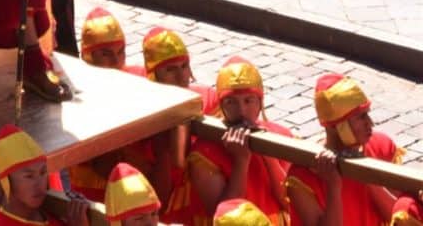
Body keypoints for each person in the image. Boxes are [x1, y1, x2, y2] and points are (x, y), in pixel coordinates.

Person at [286, 73, 403, 226]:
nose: (370, 124)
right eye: (360, 118)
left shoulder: (381, 146)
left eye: (367, 114)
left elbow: (398, 218)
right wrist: (333, 188)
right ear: (335, 127)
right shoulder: (303, 175)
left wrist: (368, 176)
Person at [187, 56, 292, 225]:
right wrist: (241, 161)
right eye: (231, 102)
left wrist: (268, 154)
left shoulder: (281, 135)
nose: (241, 110)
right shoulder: (204, 153)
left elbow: (288, 203)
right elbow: (223, 216)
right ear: (221, 105)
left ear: (260, 103)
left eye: (248, 100)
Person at [131, 27, 218, 222]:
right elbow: (156, 200)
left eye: (184, 66)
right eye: (170, 70)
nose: (181, 77)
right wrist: (163, 149)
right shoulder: (140, 119)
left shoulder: (210, 101)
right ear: (153, 75)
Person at [67, 7, 146, 201]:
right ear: (89, 56)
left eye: (121, 52)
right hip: (95, 195)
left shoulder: (137, 80)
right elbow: (104, 165)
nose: (117, 61)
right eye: (106, 54)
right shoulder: (77, 99)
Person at [0, 124, 87, 226]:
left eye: (43, 172)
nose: (39, 184)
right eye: (29, 176)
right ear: (6, 181)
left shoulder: (51, 217)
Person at [79, 7, 146, 76]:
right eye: (106, 54)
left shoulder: (139, 78)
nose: (116, 62)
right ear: (88, 57)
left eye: (120, 51)